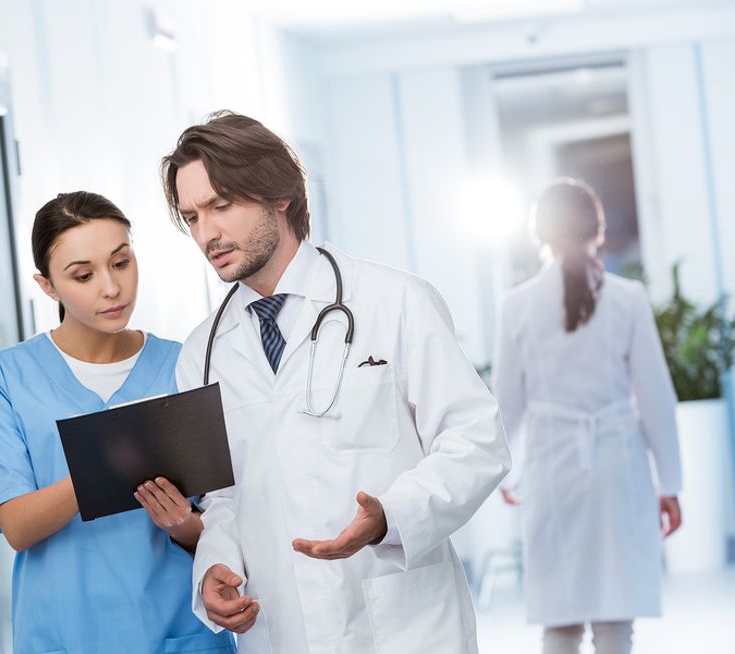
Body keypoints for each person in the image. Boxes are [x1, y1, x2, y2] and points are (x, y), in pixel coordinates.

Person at [159, 111, 511, 653]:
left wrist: (390, 516)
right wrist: (216, 566)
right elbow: (224, 498)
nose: (208, 233)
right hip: (281, 629)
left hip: (401, 625)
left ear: (280, 194)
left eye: (221, 206)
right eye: (192, 217)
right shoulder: (202, 353)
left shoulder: (395, 302)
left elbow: (476, 441)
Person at [0, 191, 235, 654]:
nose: (111, 288)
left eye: (122, 263)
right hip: (62, 635)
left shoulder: (188, 364)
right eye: (83, 275)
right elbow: (17, 527)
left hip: (175, 632)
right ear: (47, 285)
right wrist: (109, 462)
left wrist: (182, 525)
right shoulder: (5, 377)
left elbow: (230, 520)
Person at [492, 178, 683, 654]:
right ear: (597, 230)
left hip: (553, 467)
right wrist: (670, 484)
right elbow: (655, 395)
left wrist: (505, 472)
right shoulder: (628, 299)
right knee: (615, 610)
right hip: (619, 462)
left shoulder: (515, 306)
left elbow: (507, 403)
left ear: (540, 233)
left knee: (561, 614)